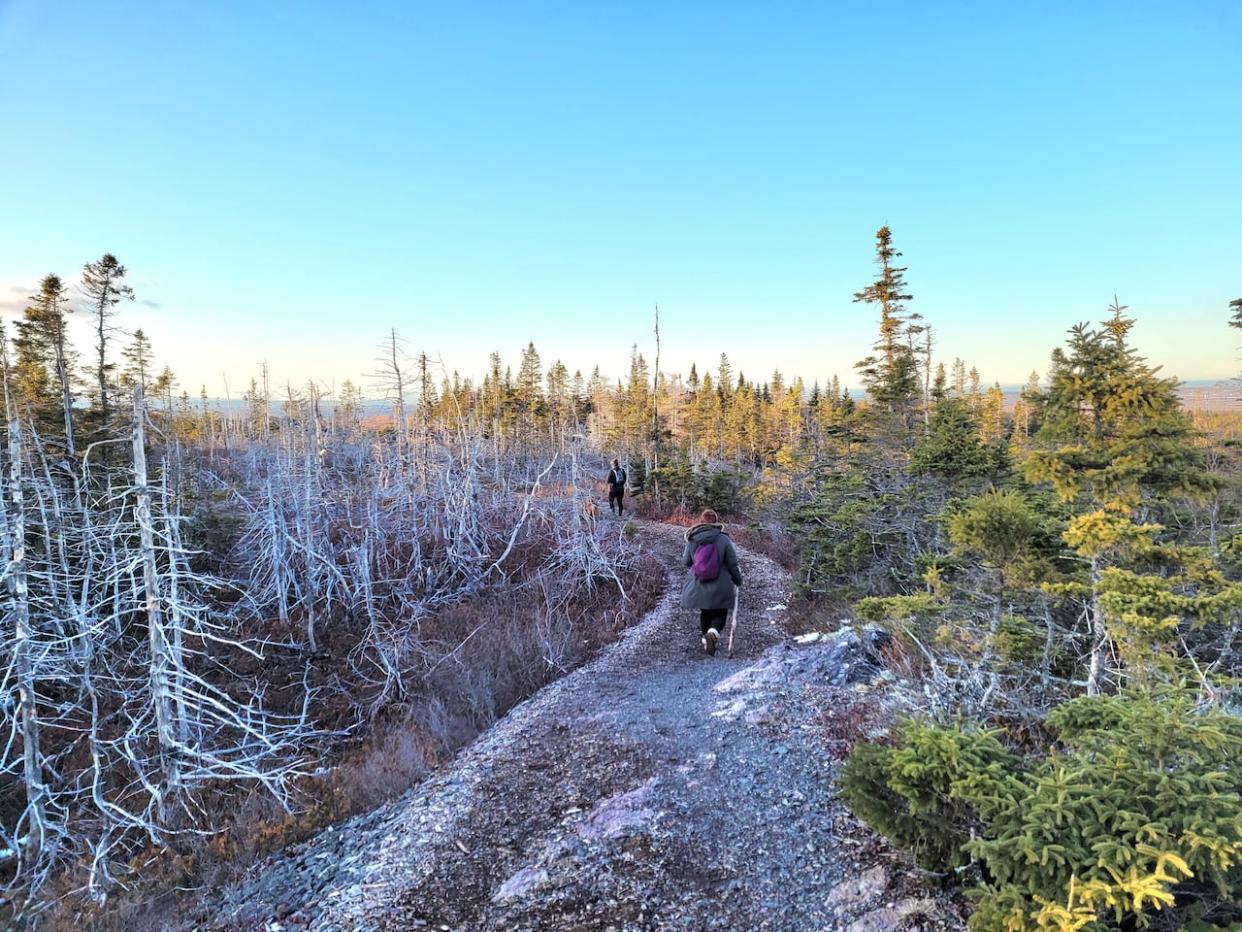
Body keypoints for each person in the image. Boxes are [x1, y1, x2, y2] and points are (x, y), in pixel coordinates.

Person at [681, 509, 742, 656]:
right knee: (721, 612)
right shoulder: (723, 539)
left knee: (705, 611)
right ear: (716, 522)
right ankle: (713, 634)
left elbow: (686, 562)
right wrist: (737, 579)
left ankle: (706, 640)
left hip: (699, 583)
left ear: (701, 521)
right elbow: (732, 563)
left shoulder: (693, 538)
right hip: (721, 584)